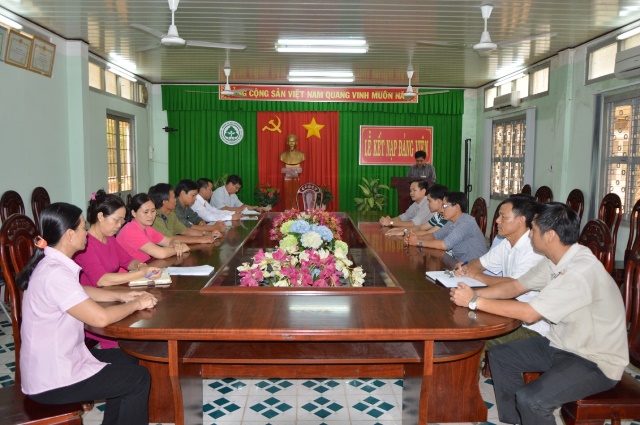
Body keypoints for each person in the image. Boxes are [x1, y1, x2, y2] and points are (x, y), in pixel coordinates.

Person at [450, 202, 628, 425]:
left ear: (550, 235)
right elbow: (515, 287)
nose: (530, 234)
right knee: (500, 356)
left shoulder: (579, 272)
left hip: (595, 361)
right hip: (561, 345)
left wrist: (475, 302)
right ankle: (515, 420)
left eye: (533, 230)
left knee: (532, 400)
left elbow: (530, 314)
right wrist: (471, 293)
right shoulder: (555, 260)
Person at [17, 202, 157, 424]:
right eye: (83, 228)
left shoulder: (54, 264)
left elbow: (82, 290)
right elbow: (100, 318)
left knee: (128, 358)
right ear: (69, 235)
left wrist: (123, 296)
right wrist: (136, 304)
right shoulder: (54, 274)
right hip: (53, 378)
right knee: (138, 379)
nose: (86, 233)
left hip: (64, 360)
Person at [74, 190, 162, 348]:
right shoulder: (85, 244)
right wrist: (140, 274)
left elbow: (128, 261)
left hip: (113, 297)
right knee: (137, 334)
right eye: (117, 220)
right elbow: (102, 280)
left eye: (122, 220)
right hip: (95, 307)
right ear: (101, 216)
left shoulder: (110, 239)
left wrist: (140, 266)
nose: (120, 224)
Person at [405, 191, 487, 262]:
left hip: (475, 267)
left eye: (444, 206)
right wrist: (414, 238)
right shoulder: (451, 221)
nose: (441, 210)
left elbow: (445, 245)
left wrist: (418, 242)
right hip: (460, 264)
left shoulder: (466, 223)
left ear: (456, 207)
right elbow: (434, 235)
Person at [116, 193, 190, 262]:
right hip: (131, 271)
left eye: (153, 211)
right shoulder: (130, 230)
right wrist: (180, 248)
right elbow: (161, 253)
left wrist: (176, 243)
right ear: (134, 213)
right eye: (146, 212)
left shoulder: (147, 228)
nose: (150, 215)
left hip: (145, 267)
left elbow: (169, 241)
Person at [148, 183, 221, 244]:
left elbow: (185, 230)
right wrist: (200, 239)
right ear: (165, 202)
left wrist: (206, 233)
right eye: (173, 198)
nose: (176, 200)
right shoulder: (154, 217)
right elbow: (169, 238)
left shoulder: (171, 214)